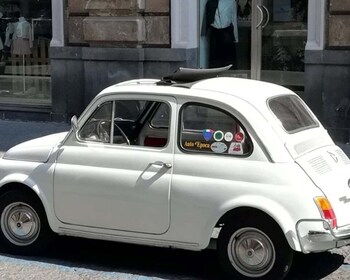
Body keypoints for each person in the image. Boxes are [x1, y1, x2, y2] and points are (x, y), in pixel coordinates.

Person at [204, 0, 239, 69]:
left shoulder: (231, 2)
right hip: (219, 32)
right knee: (221, 59)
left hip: (224, 32)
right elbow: (234, 20)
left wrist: (235, 37)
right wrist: (236, 38)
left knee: (224, 59)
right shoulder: (211, 2)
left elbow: (234, 19)